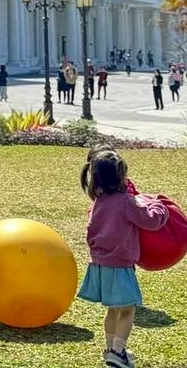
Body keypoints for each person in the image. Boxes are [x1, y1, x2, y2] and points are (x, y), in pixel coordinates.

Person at [77, 147, 168, 368]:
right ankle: (118, 352)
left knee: (113, 309)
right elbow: (151, 221)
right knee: (127, 309)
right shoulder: (127, 202)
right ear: (121, 177)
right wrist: (159, 206)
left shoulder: (98, 201)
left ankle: (111, 348)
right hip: (120, 265)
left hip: (100, 264)